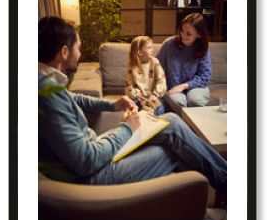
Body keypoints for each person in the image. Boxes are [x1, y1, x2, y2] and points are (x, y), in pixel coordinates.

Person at [38, 16, 226, 208]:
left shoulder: (45, 83)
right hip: (93, 177)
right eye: (78, 47)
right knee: (177, 144)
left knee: (171, 122)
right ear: (63, 52)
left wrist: (112, 105)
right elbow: (87, 160)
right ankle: (211, 197)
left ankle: (221, 187)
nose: (80, 52)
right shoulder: (46, 95)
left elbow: (73, 98)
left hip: (95, 152)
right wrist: (127, 128)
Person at [158, 13, 211, 116]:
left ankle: (194, 125)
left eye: (189, 33)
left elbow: (204, 76)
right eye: (182, 31)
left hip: (196, 86)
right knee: (177, 100)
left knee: (195, 101)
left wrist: (183, 86)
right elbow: (156, 67)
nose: (183, 36)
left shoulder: (203, 48)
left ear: (199, 34)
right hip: (173, 87)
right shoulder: (169, 44)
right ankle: (188, 124)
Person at [125, 35, 166, 115]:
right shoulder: (132, 66)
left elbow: (161, 81)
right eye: (149, 48)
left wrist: (155, 94)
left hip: (154, 96)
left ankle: (151, 120)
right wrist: (138, 95)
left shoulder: (155, 62)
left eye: (152, 47)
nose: (152, 50)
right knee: (132, 108)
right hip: (138, 98)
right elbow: (129, 86)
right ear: (140, 52)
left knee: (159, 109)